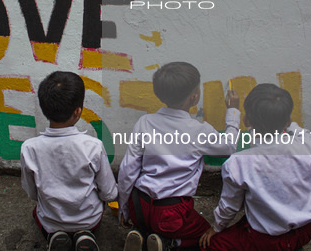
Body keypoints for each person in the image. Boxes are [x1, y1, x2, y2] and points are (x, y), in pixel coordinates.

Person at [118, 62, 241, 251]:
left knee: (151, 222)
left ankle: (142, 233)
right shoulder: (199, 130)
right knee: (207, 237)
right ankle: (169, 242)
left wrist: (124, 210)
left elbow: (127, 170)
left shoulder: (145, 122)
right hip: (172, 213)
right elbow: (229, 147)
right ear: (194, 97)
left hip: (139, 206)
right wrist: (233, 111)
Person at [200, 83, 311, 251]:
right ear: (287, 120)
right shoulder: (304, 147)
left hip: (264, 240)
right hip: (306, 229)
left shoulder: (238, 163)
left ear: (246, 120)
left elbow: (230, 206)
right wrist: (293, 127)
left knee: (211, 246)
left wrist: (217, 227)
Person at [20, 71, 118, 251]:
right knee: (95, 212)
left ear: (43, 109)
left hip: (51, 220)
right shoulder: (93, 146)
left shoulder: (29, 148)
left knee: (37, 214)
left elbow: (32, 193)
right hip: (89, 219)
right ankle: (85, 235)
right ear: (78, 111)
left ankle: (56, 235)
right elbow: (109, 193)